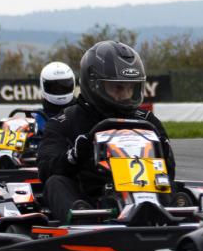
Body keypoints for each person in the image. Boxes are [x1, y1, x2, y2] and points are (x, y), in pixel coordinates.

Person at [37, 41, 174, 222]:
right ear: (94, 85)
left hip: (148, 195)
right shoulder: (65, 121)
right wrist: (74, 156)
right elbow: (45, 169)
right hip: (91, 202)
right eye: (117, 87)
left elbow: (169, 174)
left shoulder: (147, 122)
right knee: (55, 182)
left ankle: (167, 214)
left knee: (179, 188)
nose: (125, 95)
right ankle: (81, 222)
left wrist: (165, 155)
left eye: (130, 88)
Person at [35, 61, 76, 130]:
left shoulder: (82, 113)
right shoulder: (37, 118)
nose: (60, 91)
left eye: (64, 87)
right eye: (55, 88)